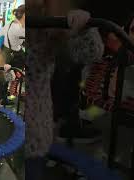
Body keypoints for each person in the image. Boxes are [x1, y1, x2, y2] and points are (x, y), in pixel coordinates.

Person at [26, 0, 104, 179]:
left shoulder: (47, 22)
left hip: (35, 130)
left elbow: (90, 52)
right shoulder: (29, 20)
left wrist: (84, 27)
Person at [0, 4, 25, 106]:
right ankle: (10, 93)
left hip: (6, 52)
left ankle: (4, 97)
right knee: (10, 77)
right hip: (14, 55)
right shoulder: (20, 29)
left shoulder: (10, 23)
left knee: (4, 77)